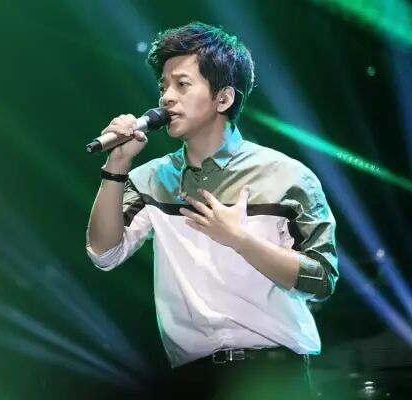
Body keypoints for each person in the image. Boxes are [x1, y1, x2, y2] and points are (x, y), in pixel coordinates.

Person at [85, 21, 338, 399]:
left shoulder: (287, 176)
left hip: (272, 374)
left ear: (223, 98)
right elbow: (103, 253)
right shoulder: (151, 178)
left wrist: (240, 240)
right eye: (163, 86)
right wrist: (116, 166)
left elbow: (321, 281)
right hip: (191, 378)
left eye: (182, 84)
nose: (167, 98)